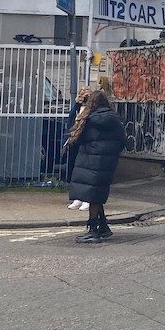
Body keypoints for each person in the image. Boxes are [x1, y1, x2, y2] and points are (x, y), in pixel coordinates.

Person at [65, 89, 124, 243]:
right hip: (107, 163)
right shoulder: (114, 119)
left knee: (93, 195)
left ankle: (93, 230)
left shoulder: (89, 119)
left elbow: (76, 138)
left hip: (90, 161)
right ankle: (103, 226)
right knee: (96, 194)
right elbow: (123, 141)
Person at [64, 85, 92, 210]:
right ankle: (78, 198)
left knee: (86, 172)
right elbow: (70, 124)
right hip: (75, 143)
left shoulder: (92, 111)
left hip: (87, 144)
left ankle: (87, 199)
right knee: (76, 172)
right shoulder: (76, 109)